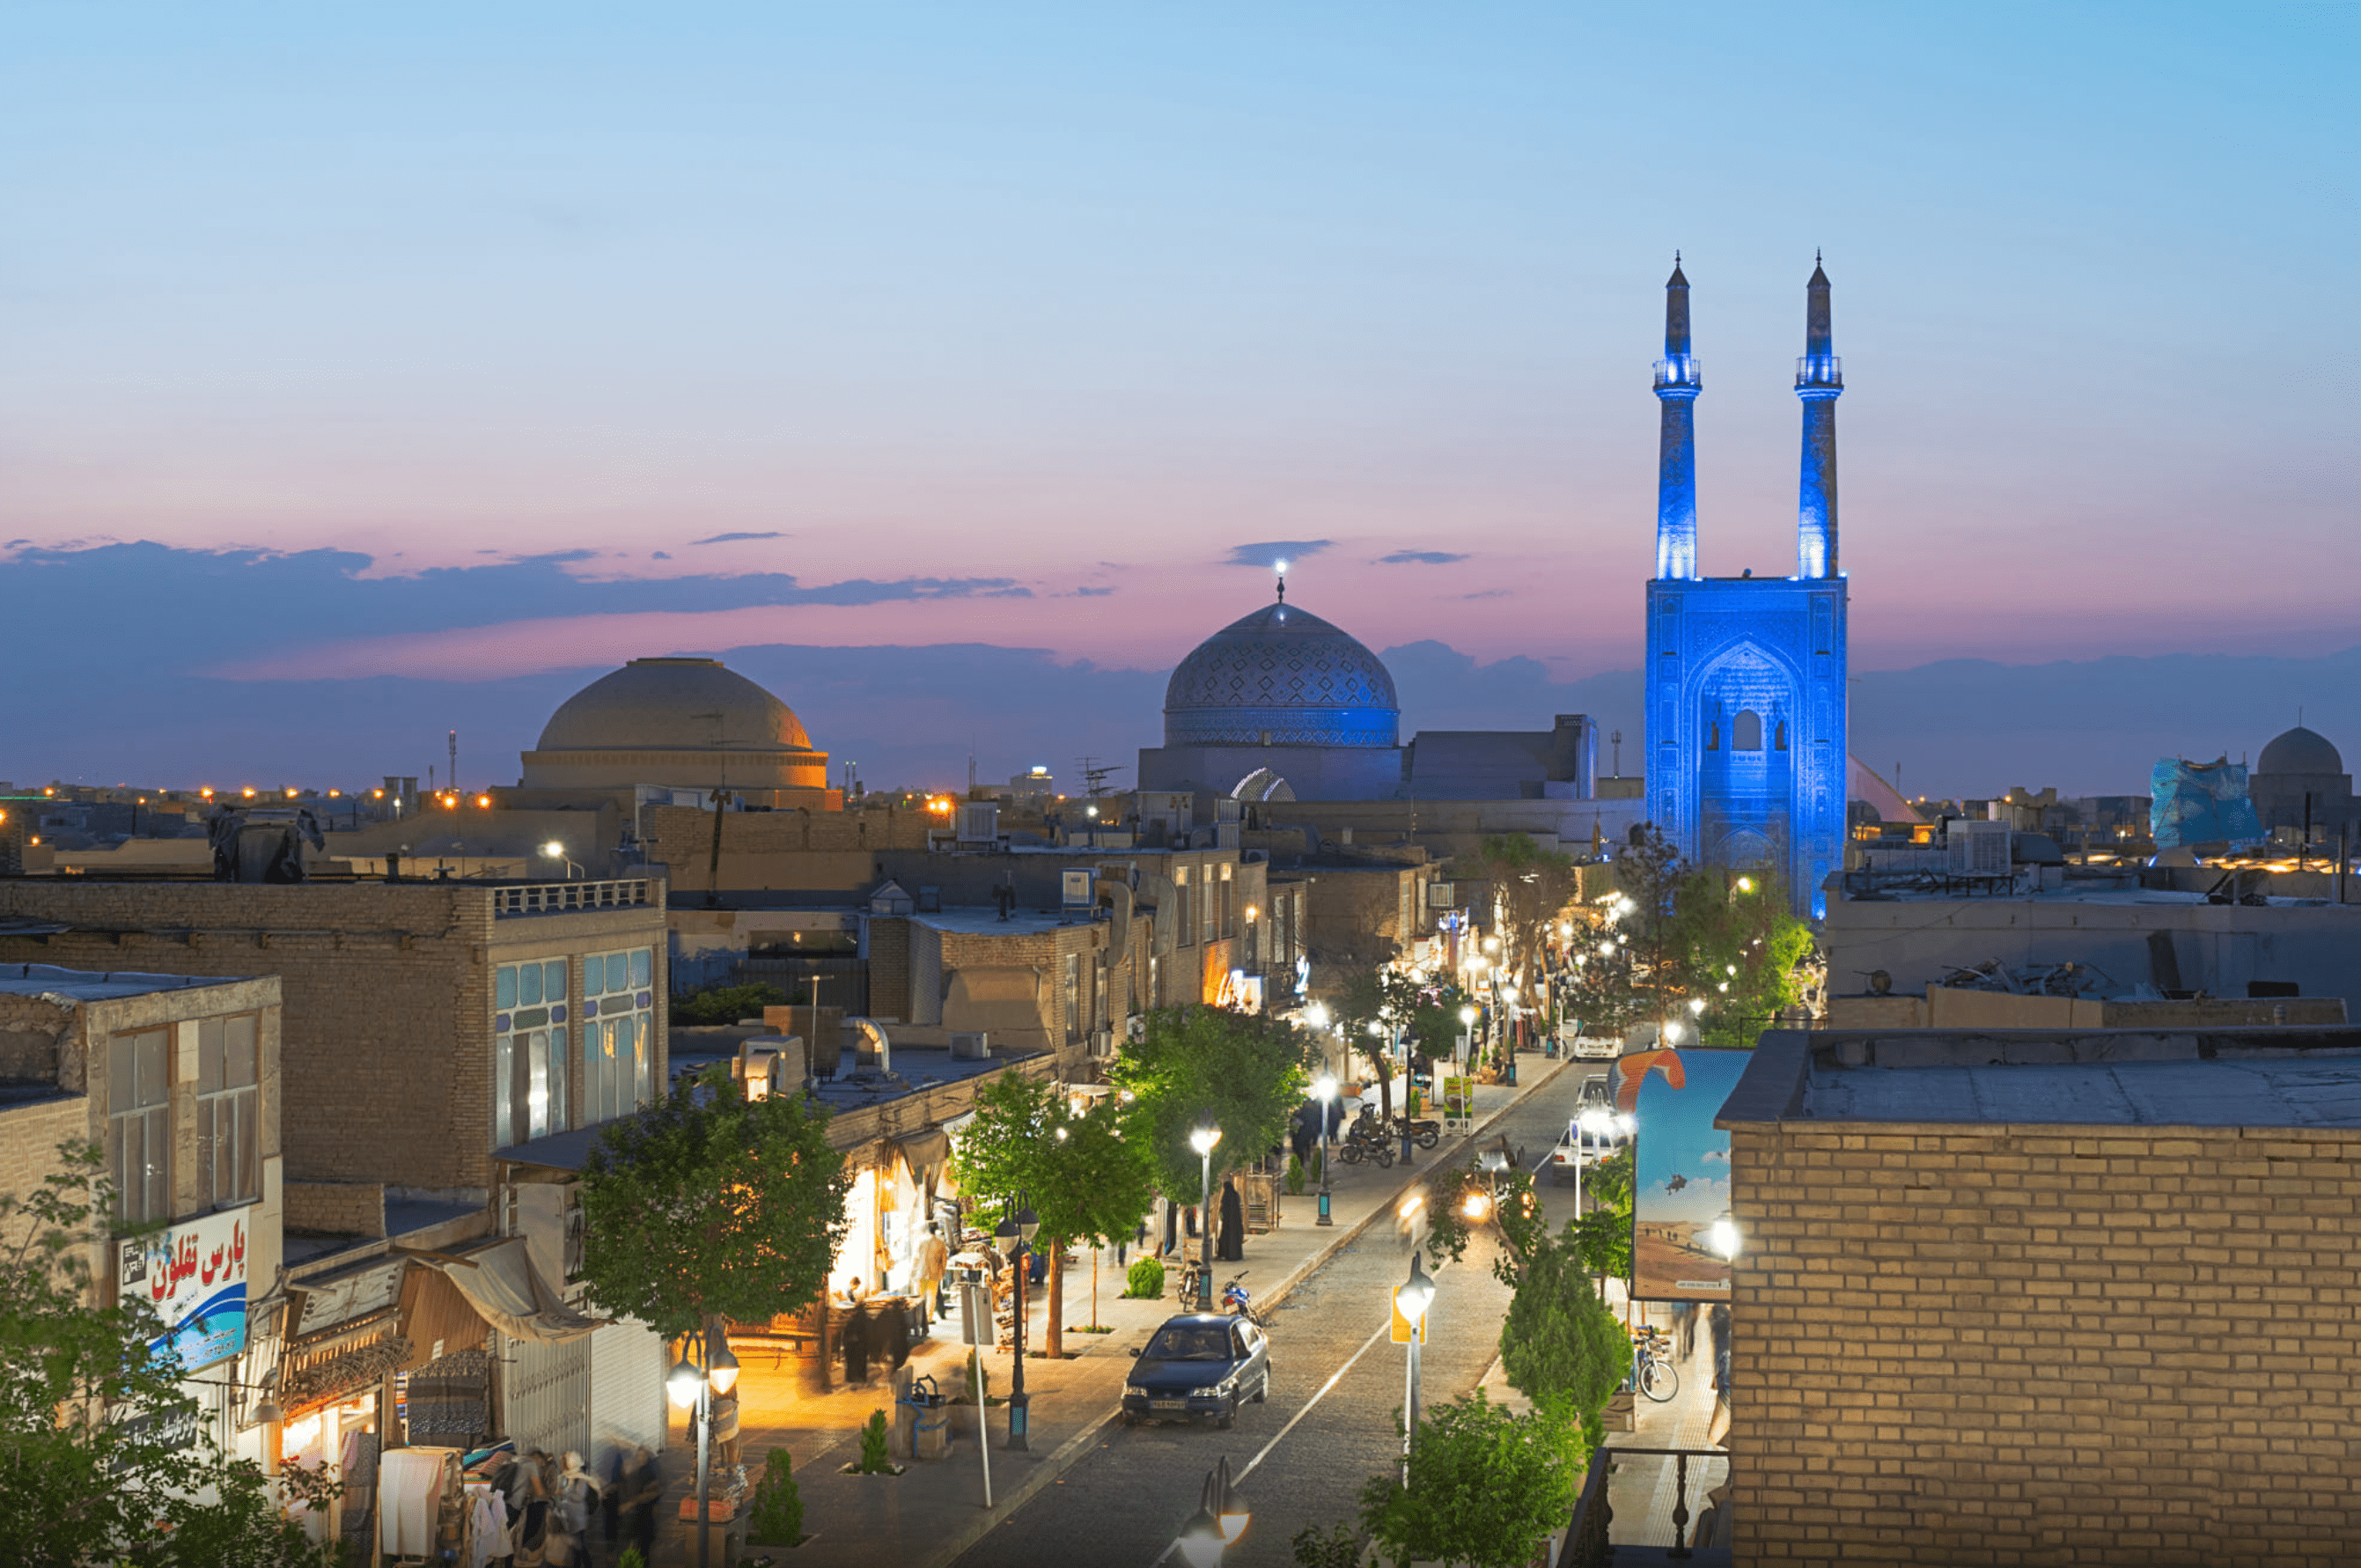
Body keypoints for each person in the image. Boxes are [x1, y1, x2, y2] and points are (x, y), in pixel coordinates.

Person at [618, 1445, 659, 1564]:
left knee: (643, 1552)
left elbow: (652, 1493)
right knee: (634, 1550)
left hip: (645, 1518)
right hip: (635, 1518)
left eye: (643, 1456)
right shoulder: (637, 1471)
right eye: (639, 1455)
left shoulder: (648, 1472)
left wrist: (631, 1503)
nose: (641, 1458)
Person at [914, 1220, 951, 1330]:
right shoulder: (940, 1243)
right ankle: (929, 1319)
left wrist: (912, 1271)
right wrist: (943, 1272)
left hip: (920, 1273)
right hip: (934, 1274)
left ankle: (918, 1318)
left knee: (919, 1297)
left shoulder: (921, 1241)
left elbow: (915, 1258)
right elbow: (944, 1261)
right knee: (931, 1297)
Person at [1216, 1177, 1245, 1262]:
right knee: (1234, 1238)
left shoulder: (1226, 1196)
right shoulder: (1235, 1195)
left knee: (1226, 1237)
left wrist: (1222, 1216)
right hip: (1236, 1221)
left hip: (1227, 1222)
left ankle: (1226, 1254)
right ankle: (1235, 1255)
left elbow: (1223, 1208)